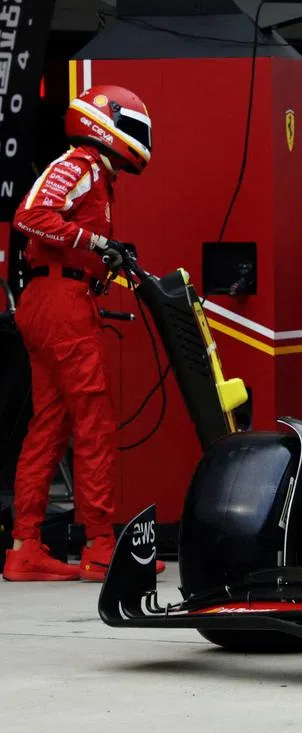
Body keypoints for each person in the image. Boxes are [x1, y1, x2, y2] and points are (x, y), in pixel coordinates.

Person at [5, 85, 162, 582]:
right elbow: (30, 217)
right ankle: (99, 546)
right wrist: (96, 241)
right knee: (93, 421)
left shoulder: (96, 175)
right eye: (134, 129)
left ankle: (25, 546)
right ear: (104, 122)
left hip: (55, 301)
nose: (140, 141)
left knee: (49, 426)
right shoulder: (81, 164)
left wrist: (107, 258)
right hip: (61, 306)